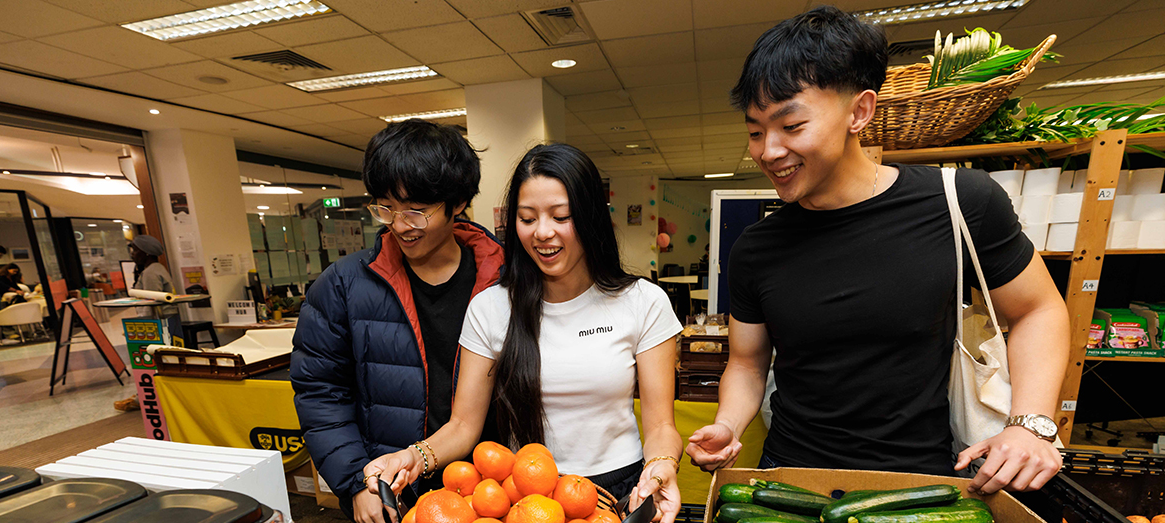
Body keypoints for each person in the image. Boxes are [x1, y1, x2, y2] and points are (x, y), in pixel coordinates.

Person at [684, 6, 1069, 496]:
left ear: (859, 111)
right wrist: (729, 426)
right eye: (756, 131)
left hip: (920, 481)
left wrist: (1031, 423)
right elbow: (748, 362)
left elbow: (1038, 310)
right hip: (790, 479)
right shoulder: (757, 246)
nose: (769, 151)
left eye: (791, 126)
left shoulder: (960, 202)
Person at [362, 143, 684, 523]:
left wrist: (663, 467)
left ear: (591, 216)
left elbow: (661, 425)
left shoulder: (643, 301)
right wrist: (413, 457)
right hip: (524, 494)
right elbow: (464, 426)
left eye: (561, 216)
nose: (542, 233)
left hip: (620, 492)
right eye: (527, 218)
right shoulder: (491, 308)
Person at [291, 119, 505, 523]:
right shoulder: (343, 285)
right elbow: (320, 393)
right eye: (386, 207)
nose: (400, 224)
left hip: (494, 489)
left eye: (417, 210)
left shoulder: (505, 279)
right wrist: (356, 482)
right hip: (391, 491)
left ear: (457, 203)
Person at [114, 234, 177, 412]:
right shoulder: (158, 269)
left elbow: (151, 303)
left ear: (147, 253)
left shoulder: (150, 272)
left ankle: (145, 398)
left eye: (135, 250)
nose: (133, 254)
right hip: (166, 322)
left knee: (151, 364)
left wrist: (141, 328)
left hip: (156, 325)